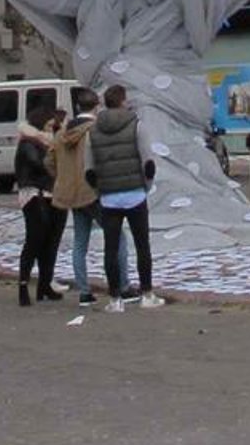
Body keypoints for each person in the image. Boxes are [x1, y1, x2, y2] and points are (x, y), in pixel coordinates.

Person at [87, 83, 165, 310]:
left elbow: (89, 170)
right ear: (123, 101)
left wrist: (100, 190)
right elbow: (148, 163)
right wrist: (145, 187)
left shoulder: (93, 131)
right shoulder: (136, 126)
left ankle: (115, 299)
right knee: (142, 246)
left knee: (110, 248)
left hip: (108, 197)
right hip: (135, 194)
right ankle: (147, 294)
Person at [13, 95, 66, 307]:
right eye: (50, 124)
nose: (52, 127)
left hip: (53, 194)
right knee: (35, 240)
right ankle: (23, 285)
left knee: (51, 242)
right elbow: (42, 165)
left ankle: (45, 285)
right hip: (35, 195)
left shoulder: (50, 142)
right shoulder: (30, 143)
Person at [52, 86, 101, 303]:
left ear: (78, 107)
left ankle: (84, 291)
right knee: (116, 237)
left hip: (71, 193)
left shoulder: (62, 133)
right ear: (96, 106)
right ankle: (122, 286)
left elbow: (49, 160)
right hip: (91, 192)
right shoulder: (94, 130)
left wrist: (62, 177)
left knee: (80, 243)